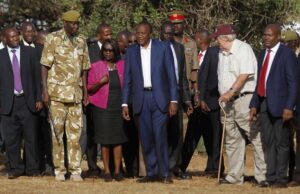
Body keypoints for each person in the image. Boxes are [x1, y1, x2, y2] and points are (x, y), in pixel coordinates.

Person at [122, 21, 178, 184]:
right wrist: (124, 103)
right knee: (146, 137)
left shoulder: (163, 48)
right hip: (141, 99)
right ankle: (151, 172)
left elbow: (171, 77)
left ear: (150, 34)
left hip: (159, 98)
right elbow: (127, 80)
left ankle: (165, 173)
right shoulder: (131, 52)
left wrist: (173, 100)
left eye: (142, 33)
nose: (139, 36)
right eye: (137, 33)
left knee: (160, 135)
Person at [210, 24, 266, 185]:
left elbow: (245, 74)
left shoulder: (244, 49)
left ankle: (263, 176)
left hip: (244, 99)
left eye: (218, 39)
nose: (217, 42)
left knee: (255, 136)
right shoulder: (221, 52)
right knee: (232, 139)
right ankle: (235, 176)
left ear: (226, 38)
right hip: (227, 103)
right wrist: (224, 94)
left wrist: (231, 92)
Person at [41, 10, 90, 181]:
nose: (76, 26)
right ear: (65, 23)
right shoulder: (52, 39)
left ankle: (75, 169)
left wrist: (85, 93)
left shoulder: (82, 40)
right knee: (57, 134)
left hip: (75, 95)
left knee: (75, 135)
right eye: (73, 23)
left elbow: (84, 68)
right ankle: (59, 169)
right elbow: (45, 66)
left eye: (77, 23)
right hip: (57, 96)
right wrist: (45, 91)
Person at [250, 24, 299, 188]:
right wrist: (254, 104)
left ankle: (281, 179)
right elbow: (260, 81)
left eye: (269, 35)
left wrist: (289, 106)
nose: (265, 38)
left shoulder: (287, 54)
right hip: (264, 104)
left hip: (281, 106)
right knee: (268, 142)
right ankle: (270, 177)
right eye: (264, 35)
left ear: (278, 36)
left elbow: (293, 83)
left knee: (282, 143)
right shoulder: (263, 53)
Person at [0, 26, 43, 179]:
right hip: (8, 104)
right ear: (5, 39)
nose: (16, 39)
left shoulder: (30, 53)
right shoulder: (0, 55)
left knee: (31, 138)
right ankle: (16, 168)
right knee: (12, 140)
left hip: (28, 101)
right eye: (12, 37)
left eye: (17, 36)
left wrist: (39, 97)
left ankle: (32, 169)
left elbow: (38, 78)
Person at [181, 30, 223, 178]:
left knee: (213, 136)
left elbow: (211, 79)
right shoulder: (197, 56)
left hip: (210, 102)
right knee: (192, 136)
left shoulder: (214, 54)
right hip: (195, 102)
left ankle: (215, 168)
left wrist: (204, 97)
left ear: (199, 40)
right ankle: (181, 166)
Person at [88, 39, 127, 182]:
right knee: (104, 141)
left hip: (118, 107)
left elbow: (128, 85)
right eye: (105, 50)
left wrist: (125, 105)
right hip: (102, 108)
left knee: (118, 140)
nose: (108, 52)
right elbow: (89, 88)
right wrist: (100, 82)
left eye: (111, 50)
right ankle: (107, 171)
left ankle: (117, 171)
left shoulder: (122, 66)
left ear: (115, 51)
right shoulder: (95, 66)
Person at [159, 21, 193, 179]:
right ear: (160, 32)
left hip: (177, 98)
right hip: (159, 97)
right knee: (162, 133)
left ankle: (174, 167)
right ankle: (162, 167)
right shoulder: (154, 48)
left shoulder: (179, 48)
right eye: (165, 33)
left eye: (170, 33)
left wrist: (187, 100)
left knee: (177, 133)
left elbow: (183, 77)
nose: (167, 36)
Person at [85, 23, 112, 177]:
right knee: (92, 132)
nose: (109, 36)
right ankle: (93, 166)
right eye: (106, 33)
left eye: (110, 33)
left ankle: (112, 166)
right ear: (98, 34)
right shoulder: (90, 49)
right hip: (94, 95)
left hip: (110, 97)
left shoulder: (111, 47)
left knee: (108, 131)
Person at [281, 30, 300, 186]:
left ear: (296, 43)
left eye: (288, 43)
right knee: (286, 140)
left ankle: (297, 176)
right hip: (286, 106)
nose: (285, 46)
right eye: (283, 43)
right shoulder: (283, 58)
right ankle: (289, 172)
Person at [168, 11, 198, 91]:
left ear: (184, 25)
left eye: (178, 23)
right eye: (173, 24)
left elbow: (194, 70)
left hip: (186, 88)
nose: (175, 26)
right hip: (169, 87)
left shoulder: (191, 44)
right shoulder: (165, 44)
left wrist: (196, 92)